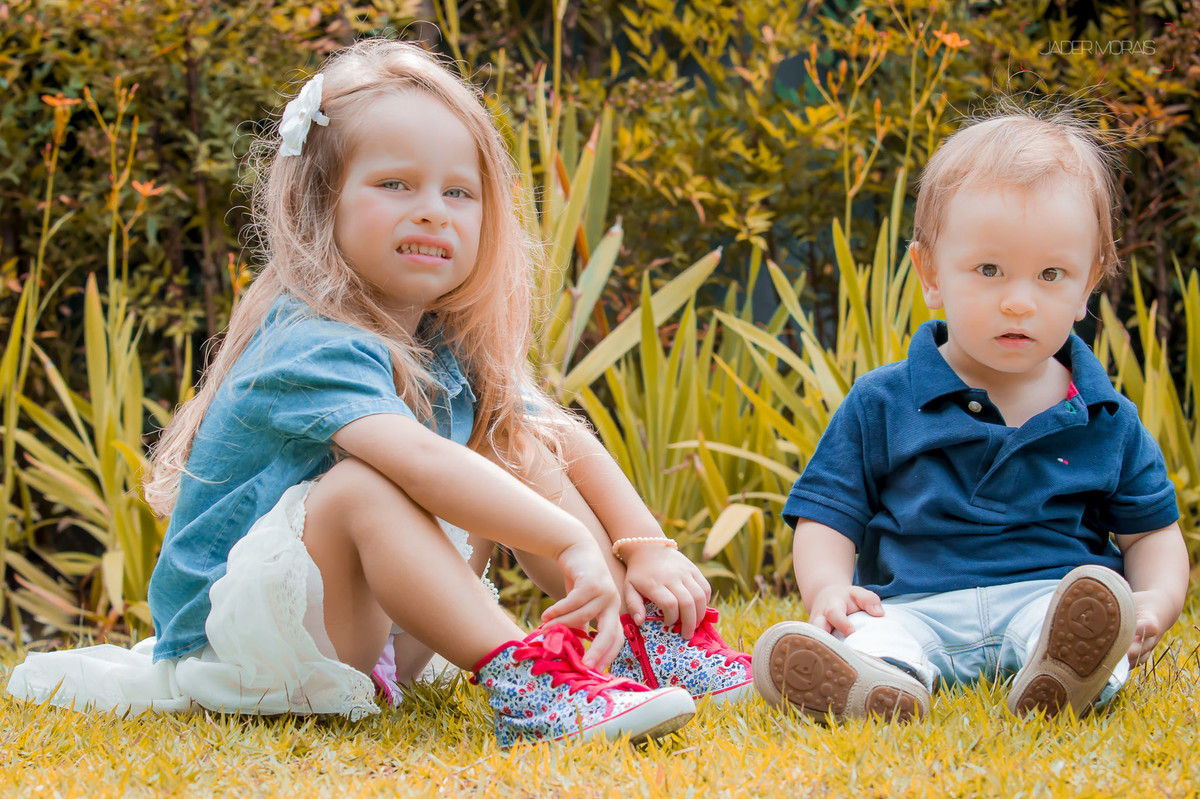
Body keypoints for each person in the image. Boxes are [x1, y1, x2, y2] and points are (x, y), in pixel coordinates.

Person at [7, 39, 752, 746]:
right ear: (317, 204)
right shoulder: (308, 340)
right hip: (243, 646)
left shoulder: (441, 336)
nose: (432, 209)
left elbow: (552, 438)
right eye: (395, 184)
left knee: (508, 434)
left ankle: (638, 642)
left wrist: (642, 546)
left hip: (362, 635)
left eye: (459, 191)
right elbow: (423, 468)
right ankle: (530, 687)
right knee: (365, 484)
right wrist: (565, 540)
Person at [752, 105, 1189, 723]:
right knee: (877, 636)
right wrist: (828, 590)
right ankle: (883, 684)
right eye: (989, 270)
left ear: (1088, 283)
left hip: (1046, 598)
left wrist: (1153, 603)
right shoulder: (882, 401)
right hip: (911, 605)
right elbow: (829, 513)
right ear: (930, 273)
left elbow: (1151, 534)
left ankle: (1067, 672)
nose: (1018, 301)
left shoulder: (1106, 416)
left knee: (1085, 618)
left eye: (1051, 275)